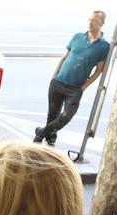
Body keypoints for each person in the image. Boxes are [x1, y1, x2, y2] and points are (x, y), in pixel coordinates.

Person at [34, 11, 110, 147]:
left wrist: (83, 87)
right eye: (89, 19)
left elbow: (99, 70)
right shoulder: (77, 37)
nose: (90, 22)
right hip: (58, 82)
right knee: (52, 114)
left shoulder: (104, 46)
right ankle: (50, 139)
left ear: (102, 24)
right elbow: (64, 57)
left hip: (75, 88)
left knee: (66, 116)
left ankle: (41, 132)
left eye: (94, 20)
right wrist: (53, 76)